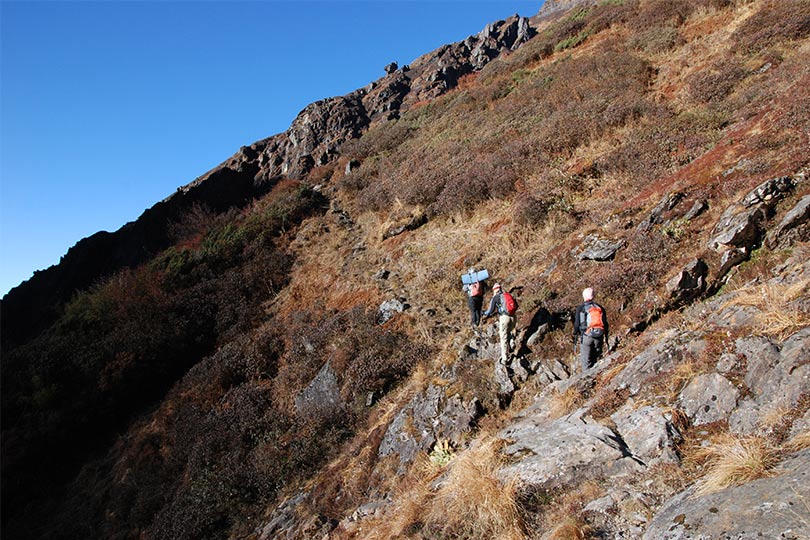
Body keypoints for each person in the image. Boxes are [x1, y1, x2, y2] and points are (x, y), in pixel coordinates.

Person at [573, 287, 609, 371]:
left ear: (584, 296)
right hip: (599, 336)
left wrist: (576, 333)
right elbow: (605, 324)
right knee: (596, 359)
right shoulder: (600, 308)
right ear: (593, 296)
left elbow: (577, 324)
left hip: (586, 336)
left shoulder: (581, 308)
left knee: (586, 361)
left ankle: (587, 379)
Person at [482, 283, 517, 364]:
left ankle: (505, 359)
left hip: (504, 318)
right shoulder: (508, 295)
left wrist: (483, 313)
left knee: (503, 337)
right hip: (513, 316)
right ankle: (512, 343)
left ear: (495, 290)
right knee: (510, 331)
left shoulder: (496, 297)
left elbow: (490, 311)